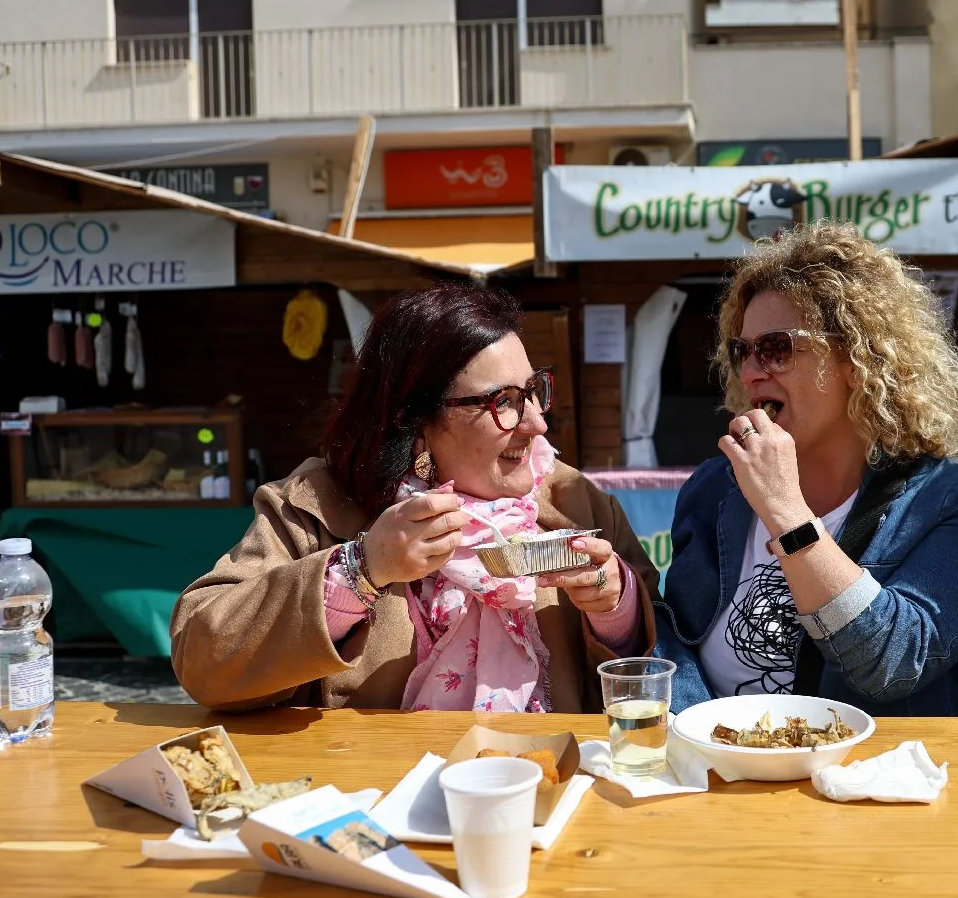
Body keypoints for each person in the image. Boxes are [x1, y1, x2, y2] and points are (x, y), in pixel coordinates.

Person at [172, 283, 659, 712]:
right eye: (504, 402)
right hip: (377, 783)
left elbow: (664, 663)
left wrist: (617, 609)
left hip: (545, 779)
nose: (536, 423)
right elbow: (203, 664)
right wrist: (361, 571)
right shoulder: (313, 507)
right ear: (416, 421)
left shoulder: (575, 501)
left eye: (533, 391)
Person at [654, 221, 958, 716]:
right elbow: (679, 638)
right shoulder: (714, 487)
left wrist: (785, 511)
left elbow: (894, 664)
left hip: (867, 764)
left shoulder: (950, 500)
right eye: (741, 350)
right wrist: (706, 734)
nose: (750, 371)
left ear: (857, 360)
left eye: (775, 348)